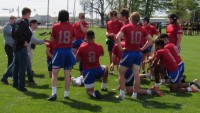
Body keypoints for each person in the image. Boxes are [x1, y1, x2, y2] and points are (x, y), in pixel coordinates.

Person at [116, 12, 153, 99]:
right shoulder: (141, 29)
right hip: (138, 53)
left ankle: (122, 94)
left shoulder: (126, 27)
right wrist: (142, 49)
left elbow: (117, 37)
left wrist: (121, 48)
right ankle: (135, 95)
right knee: (136, 74)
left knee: (120, 72)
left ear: (131, 19)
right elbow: (150, 40)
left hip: (129, 52)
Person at [47, 10, 76, 101]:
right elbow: (74, 38)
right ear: (67, 17)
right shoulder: (71, 26)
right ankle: (66, 94)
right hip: (68, 51)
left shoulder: (55, 26)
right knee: (67, 74)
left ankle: (54, 93)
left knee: (55, 74)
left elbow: (51, 39)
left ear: (59, 16)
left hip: (58, 51)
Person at [76, 30, 108, 99]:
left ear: (86, 37)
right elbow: (102, 54)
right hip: (98, 70)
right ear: (94, 37)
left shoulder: (82, 47)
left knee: (89, 91)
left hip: (88, 71)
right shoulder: (99, 46)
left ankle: (94, 94)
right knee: (106, 68)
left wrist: (83, 57)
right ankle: (104, 87)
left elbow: (77, 60)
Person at [12, 7, 32, 91]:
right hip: (21, 46)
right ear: (27, 13)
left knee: (16, 66)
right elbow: (17, 32)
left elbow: (13, 33)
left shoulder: (17, 21)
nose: (30, 15)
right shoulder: (23, 22)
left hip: (16, 45)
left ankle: (15, 83)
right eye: (29, 14)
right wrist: (24, 41)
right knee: (22, 67)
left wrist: (17, 40)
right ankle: (21, 86)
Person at [106, 10, 123, 75]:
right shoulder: (108, 23)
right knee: (111, 56)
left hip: (117, 42)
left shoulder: (120, 23)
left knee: (118, 56)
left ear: (115, 16)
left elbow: (122, 32)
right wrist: (109, 34)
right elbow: (107, 31)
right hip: (110, 41)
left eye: (112, 16)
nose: (111, 17)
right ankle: (112, 70)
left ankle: (119, 71)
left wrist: (116, 35)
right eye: (110, 16)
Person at [1, 16, 17, 84]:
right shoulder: (7, 26)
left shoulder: (11, 26)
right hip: (8, 46)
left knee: (12, 60)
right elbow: (12, 33)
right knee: (11, 60)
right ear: (10, 19)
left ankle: (10, 74)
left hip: (11, 46)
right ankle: (9, 75)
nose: (15, 21)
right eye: (14, 20)